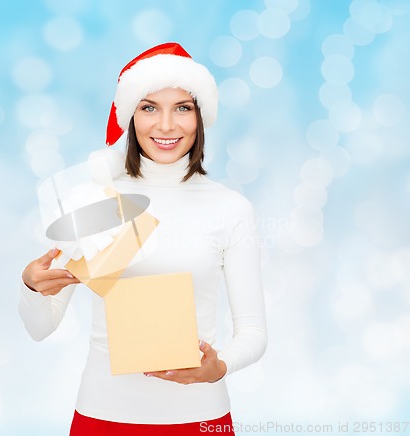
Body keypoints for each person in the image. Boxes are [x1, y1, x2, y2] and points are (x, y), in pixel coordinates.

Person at [20, 42, 267, 435]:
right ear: (130, 117)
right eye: (149, 107)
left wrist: (218, 366)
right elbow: (40, 328)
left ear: (201, 116)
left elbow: (253, 332)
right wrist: (33, 287)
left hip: (201, 420)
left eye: (182, 108)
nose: (166, 125)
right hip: (102, 417)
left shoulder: (230, 208)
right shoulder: (94, 200)